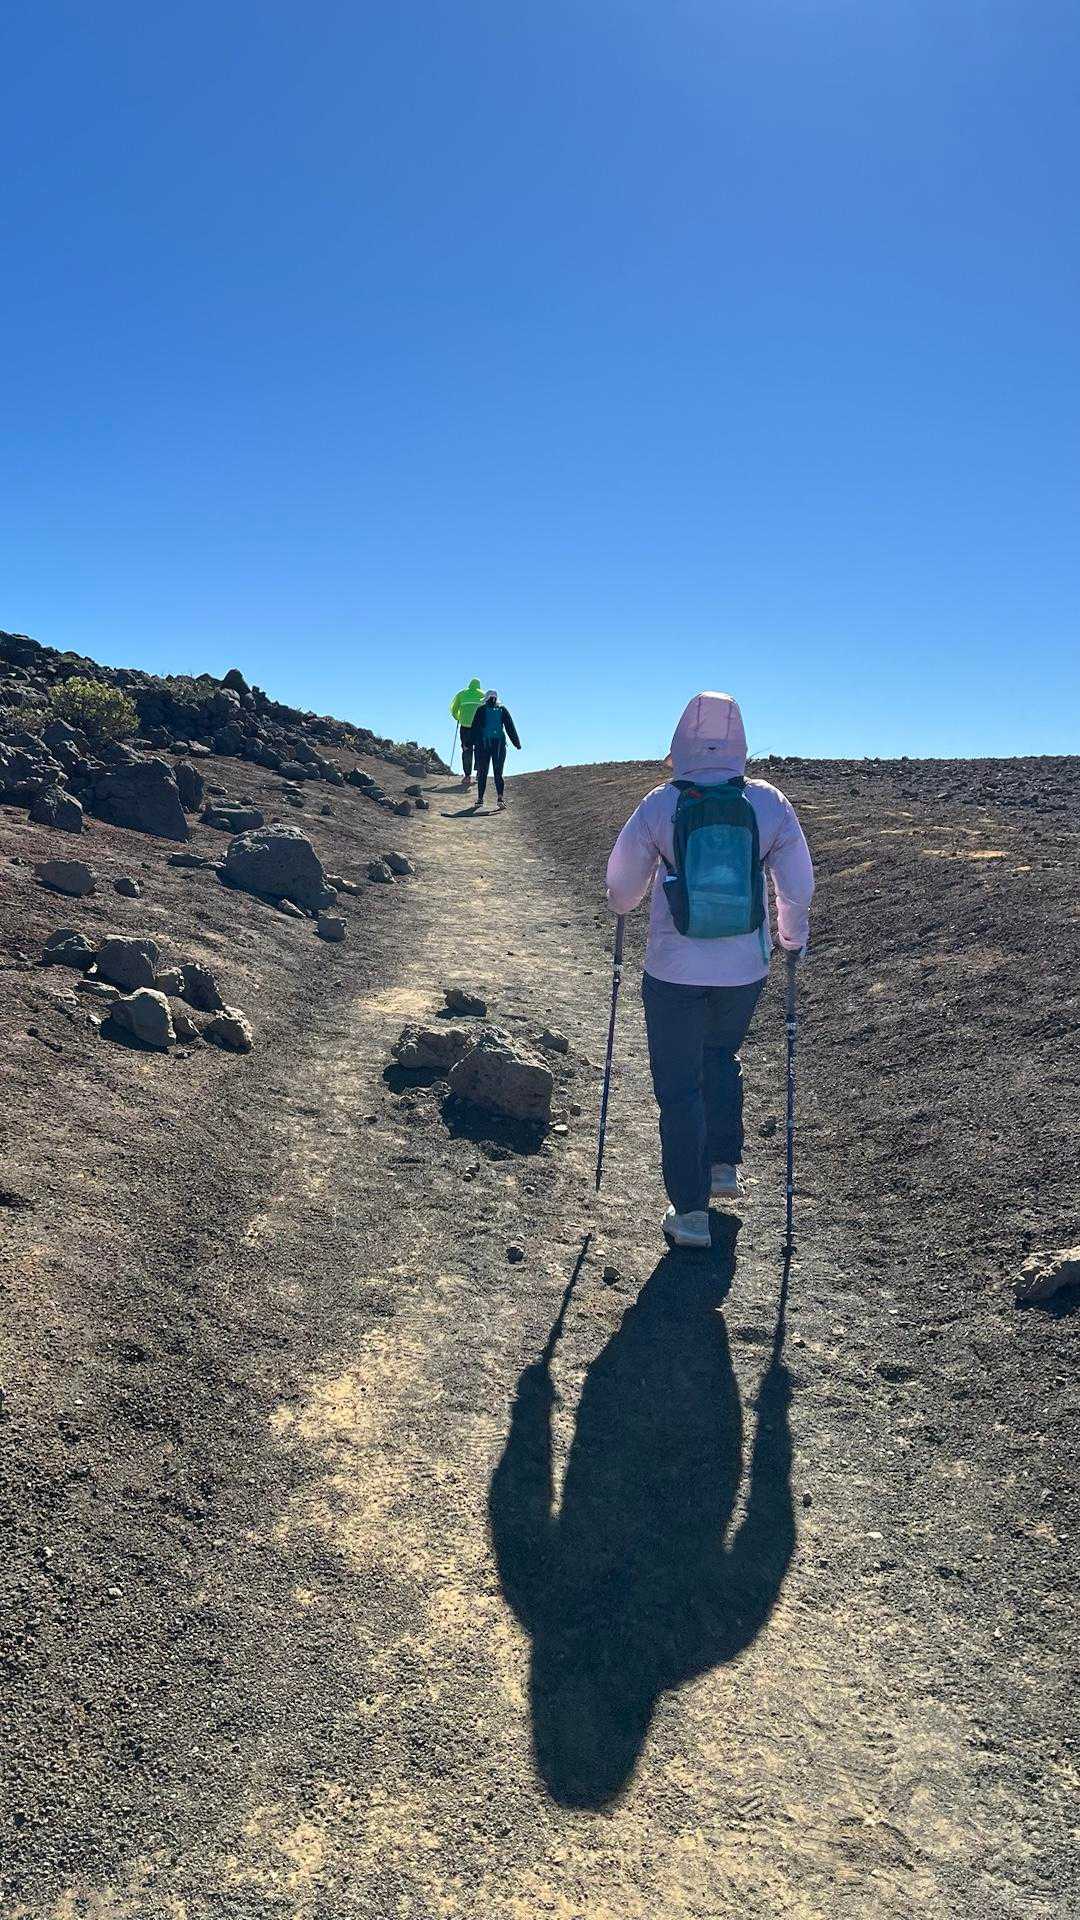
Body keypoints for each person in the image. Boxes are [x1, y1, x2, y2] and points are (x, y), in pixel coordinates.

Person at [605, 691, 814, 1249]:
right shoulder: (768, 802)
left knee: (679, 1088)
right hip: (744, 969)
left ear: (678, 743)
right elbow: (797, 885)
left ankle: (691, 1212)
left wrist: (623, 906)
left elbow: (622, 887)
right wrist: (792, 938)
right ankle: (722, 1166)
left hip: (673, 969)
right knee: (720, 1055)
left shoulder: (660, 804)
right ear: (741, 743)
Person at [472, 690, 521, 810]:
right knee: (498, 772)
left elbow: (475, 728)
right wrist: (517, 743)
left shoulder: (481, 709)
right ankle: (500, 798)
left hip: (484, 745)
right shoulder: (502, 710)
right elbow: (510, 727)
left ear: (486, 698)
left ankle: (480, 799)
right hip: (499, 745)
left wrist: (468, 743)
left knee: (483, 772)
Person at [450, 677, 485, 787]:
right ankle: (479, 773)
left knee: (466, 750)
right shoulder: (483, 695)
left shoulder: (461, 694)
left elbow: (453, 709)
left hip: (465, 727)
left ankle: (467, 776)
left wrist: (458, 717)